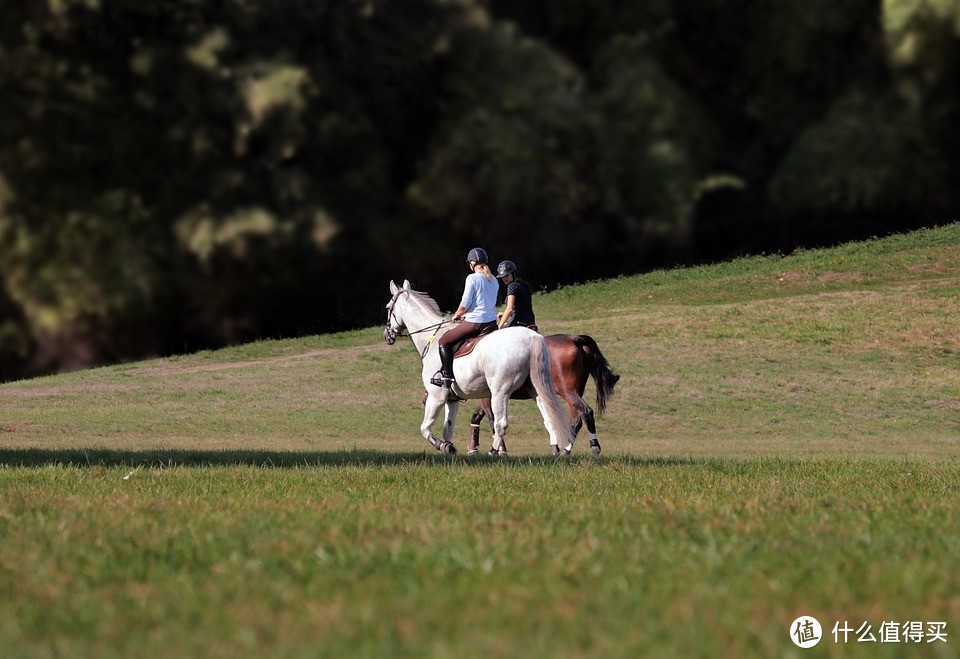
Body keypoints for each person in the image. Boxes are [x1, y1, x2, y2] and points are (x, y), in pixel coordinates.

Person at [431, 247, 499, 389]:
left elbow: (465, 303)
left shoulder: (472, 278)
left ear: (472, 264)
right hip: (492, 323)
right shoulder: (494, 279)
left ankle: (447, 377)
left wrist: (457, 315)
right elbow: (485, 303)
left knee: (443, 342)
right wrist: (467, 314)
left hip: (476, 324)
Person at [496, 260, 536, 331]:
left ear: (513, 273)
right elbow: (522, 308)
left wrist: (499, 326)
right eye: (502, 277)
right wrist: (504, 313)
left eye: (507, 275)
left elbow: (509, 309)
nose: (505, 278)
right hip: (531, 323)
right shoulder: (524, 284)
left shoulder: (512, 286)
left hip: (518, 324)